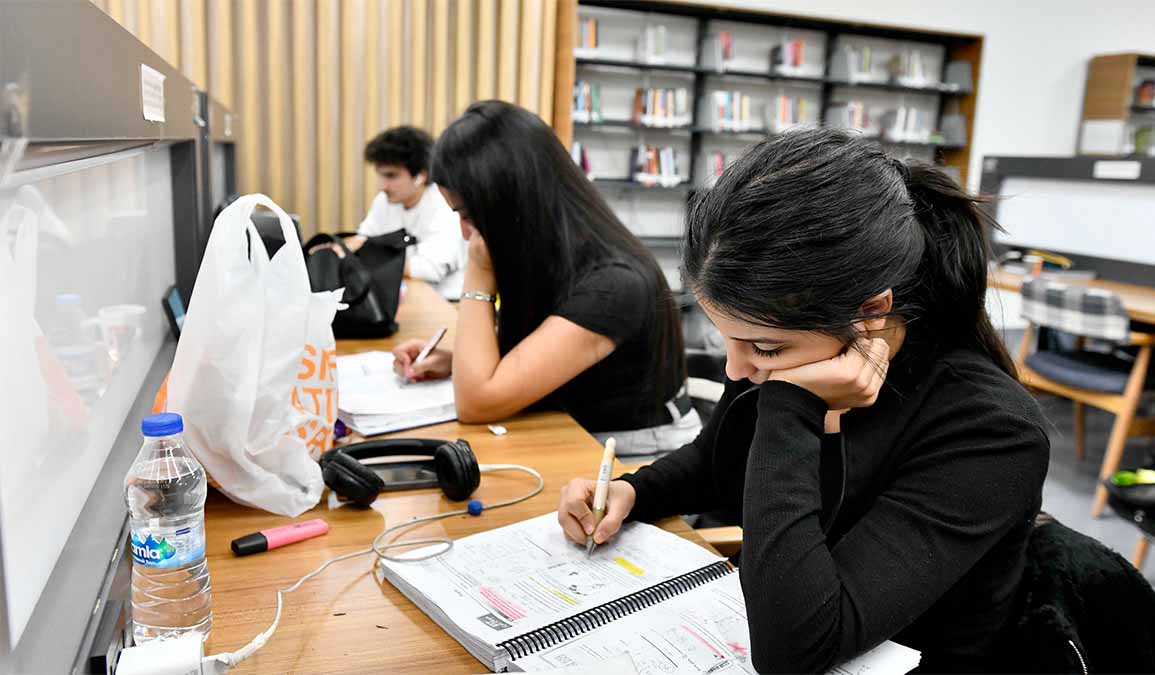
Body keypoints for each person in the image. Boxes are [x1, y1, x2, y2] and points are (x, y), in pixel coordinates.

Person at [556, 128, 1051, 673]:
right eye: (727, 340)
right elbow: (717, 463)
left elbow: (795, 649)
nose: (736, 369)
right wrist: (633, 492)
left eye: (762, 348)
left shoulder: (992, 431)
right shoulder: (790, 345)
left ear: (870, 311)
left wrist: (790, 404)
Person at [391, 101, 699, 459]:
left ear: (510, 204)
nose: (464, 233)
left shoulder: (614, 284)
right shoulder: (549, 253)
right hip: (577, 432)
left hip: (632, 456)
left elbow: (477, 402)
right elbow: (524, 361)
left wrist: (478, 272)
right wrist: (454, 361)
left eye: (467, 214)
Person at [342, 126, 466, 299]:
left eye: (391, 176)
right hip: (406, 297)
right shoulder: (384, 201)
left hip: (447, 303)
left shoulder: (442, 203)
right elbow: (360, 242)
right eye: (381, 176)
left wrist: (368, 256)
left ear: (420, 176)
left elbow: (429, 270)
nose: (382, 186)